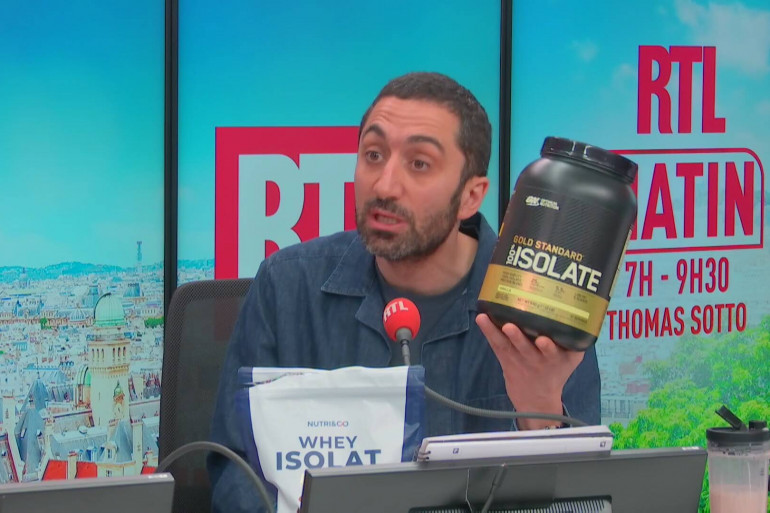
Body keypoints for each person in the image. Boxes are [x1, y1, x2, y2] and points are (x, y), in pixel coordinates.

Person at [208, 72, 600, 513]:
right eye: (373, 155)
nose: (385, 186)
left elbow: (581, 498)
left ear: (471, 195)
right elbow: (235, 468)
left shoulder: (540, 311)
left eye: (419, 164)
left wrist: (538, 411)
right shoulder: (286, 286)